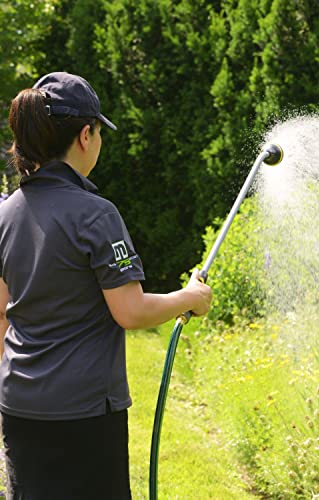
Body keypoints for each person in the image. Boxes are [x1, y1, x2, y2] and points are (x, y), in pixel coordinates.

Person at [0, 72, 212, 499]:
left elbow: (2, 315)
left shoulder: (6, 214)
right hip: (84, 414)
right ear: (84, 134)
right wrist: (190, 297)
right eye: (99, 132)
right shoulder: (96, 214)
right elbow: (130, 311)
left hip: (18, 407)